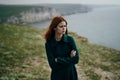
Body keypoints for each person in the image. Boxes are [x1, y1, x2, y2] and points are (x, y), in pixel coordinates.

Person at [45, 16, 79, 80]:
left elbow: (76, 59)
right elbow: (53, 65)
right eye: (61, 26)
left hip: (70, 74)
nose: (64, 28)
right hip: (57, 76)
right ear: (54, 28)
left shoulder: (70, 40)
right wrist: (70, 58)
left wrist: (58, 60)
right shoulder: (49, 44)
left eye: (65, 26)